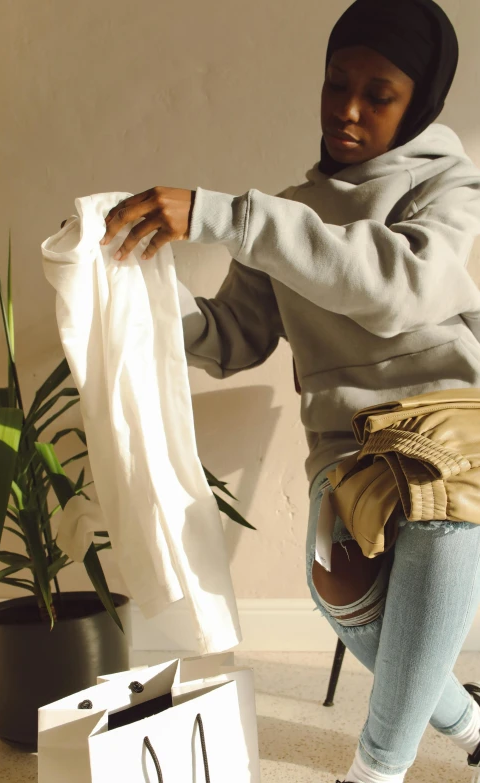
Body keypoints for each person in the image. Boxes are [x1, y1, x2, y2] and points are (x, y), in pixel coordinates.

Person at [98, 1, 480, 780]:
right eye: (337, 83)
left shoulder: (450, 187)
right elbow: (232, 338)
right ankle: (474, 721)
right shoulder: (285, 214)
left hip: (451, 417)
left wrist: (224, 216)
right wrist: (137, 299)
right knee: (341, 597)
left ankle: (375, 769)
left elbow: (395, 288)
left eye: (379, 94)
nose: (347, 109)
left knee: (443, 515)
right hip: (347, 445)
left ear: (421, 103)